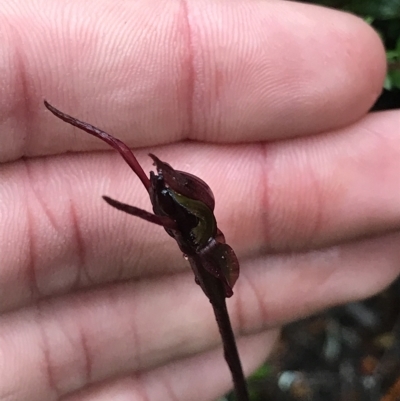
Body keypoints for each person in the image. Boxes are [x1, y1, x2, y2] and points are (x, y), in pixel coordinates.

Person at [0, 1, 398, 400]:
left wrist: (141, 205)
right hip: (204, 250)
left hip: (208, 257)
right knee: (124, 151)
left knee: (126, 154)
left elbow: (156, 189)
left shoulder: (193, 233)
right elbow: (133, 160)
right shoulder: (188, 223)